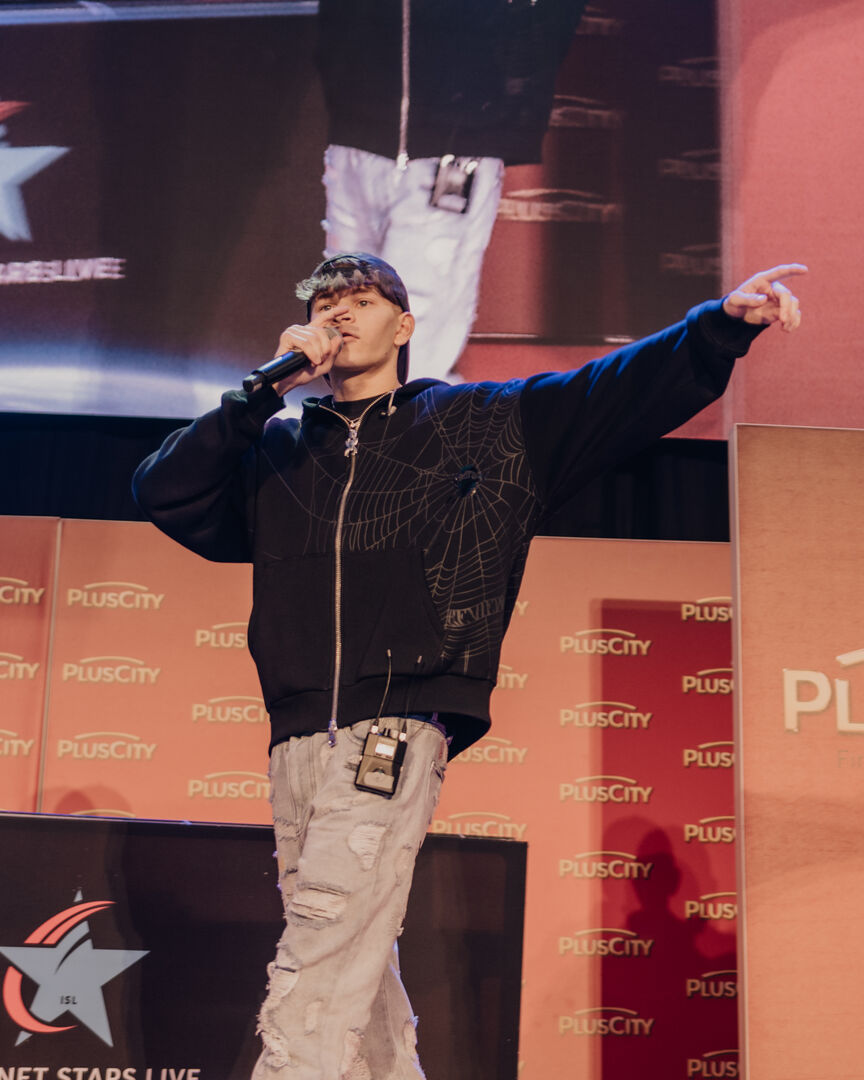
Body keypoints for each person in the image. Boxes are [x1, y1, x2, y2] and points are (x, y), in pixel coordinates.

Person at [132, 252, 805, 1079]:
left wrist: (719, 328)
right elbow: (165, 492)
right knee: (352, 955)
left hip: (395, 725)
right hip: (297, 734)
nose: (338, 313)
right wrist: (263, 390)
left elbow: (611, 391)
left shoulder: (482, 422)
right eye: (323, 301)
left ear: (405, 326)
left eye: (360, 300)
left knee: (322, 941)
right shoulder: (278, 450)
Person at [315, 0, 587, 382]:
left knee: (416, 324)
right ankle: (363, 418)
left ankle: (409, 417)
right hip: (357, 129)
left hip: (455, 138)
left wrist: (503, 90)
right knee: (344, 311)